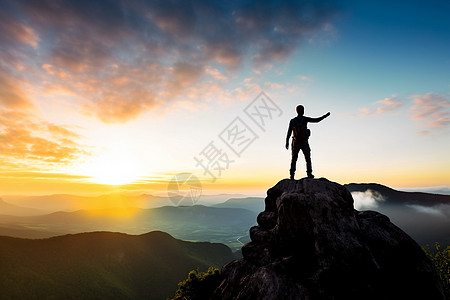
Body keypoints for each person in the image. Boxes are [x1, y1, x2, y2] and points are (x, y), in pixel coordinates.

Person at [285, 105, 330, 179]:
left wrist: (287, 141)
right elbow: (316, 120)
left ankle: (292, 175)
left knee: (294, 159)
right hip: (303, 142)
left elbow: (289, 132)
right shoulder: (305, 119)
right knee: (307, 158)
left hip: (295, 142)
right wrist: (325, 116)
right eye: (302, 110)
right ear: (301, 111)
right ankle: (309, 173)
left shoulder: (293, 121)